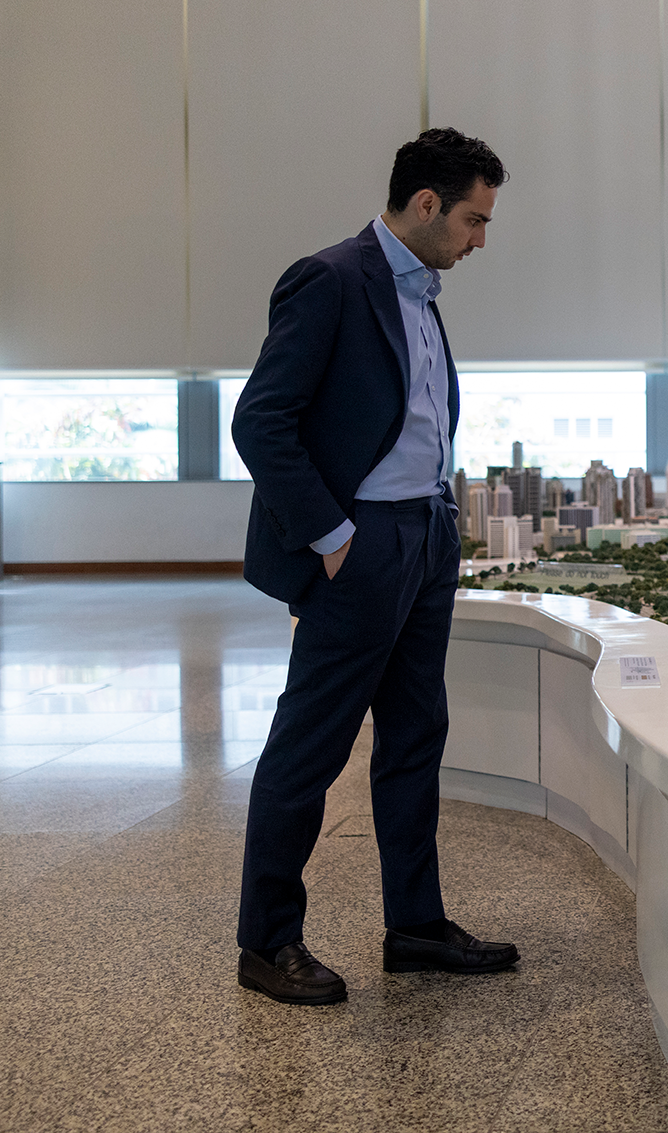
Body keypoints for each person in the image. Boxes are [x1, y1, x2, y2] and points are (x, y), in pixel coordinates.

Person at [231, 128, 518, 1006]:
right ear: (425, 204)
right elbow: (260, 422)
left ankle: (416, 926)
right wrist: (331, 536)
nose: (481, 239)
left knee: (414, 738)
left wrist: (442, 523)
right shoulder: (330, 279)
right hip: (361, 546)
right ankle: (267, 940)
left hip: (425, 539)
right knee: (309, 748)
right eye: (473, 218)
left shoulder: (423, 294)